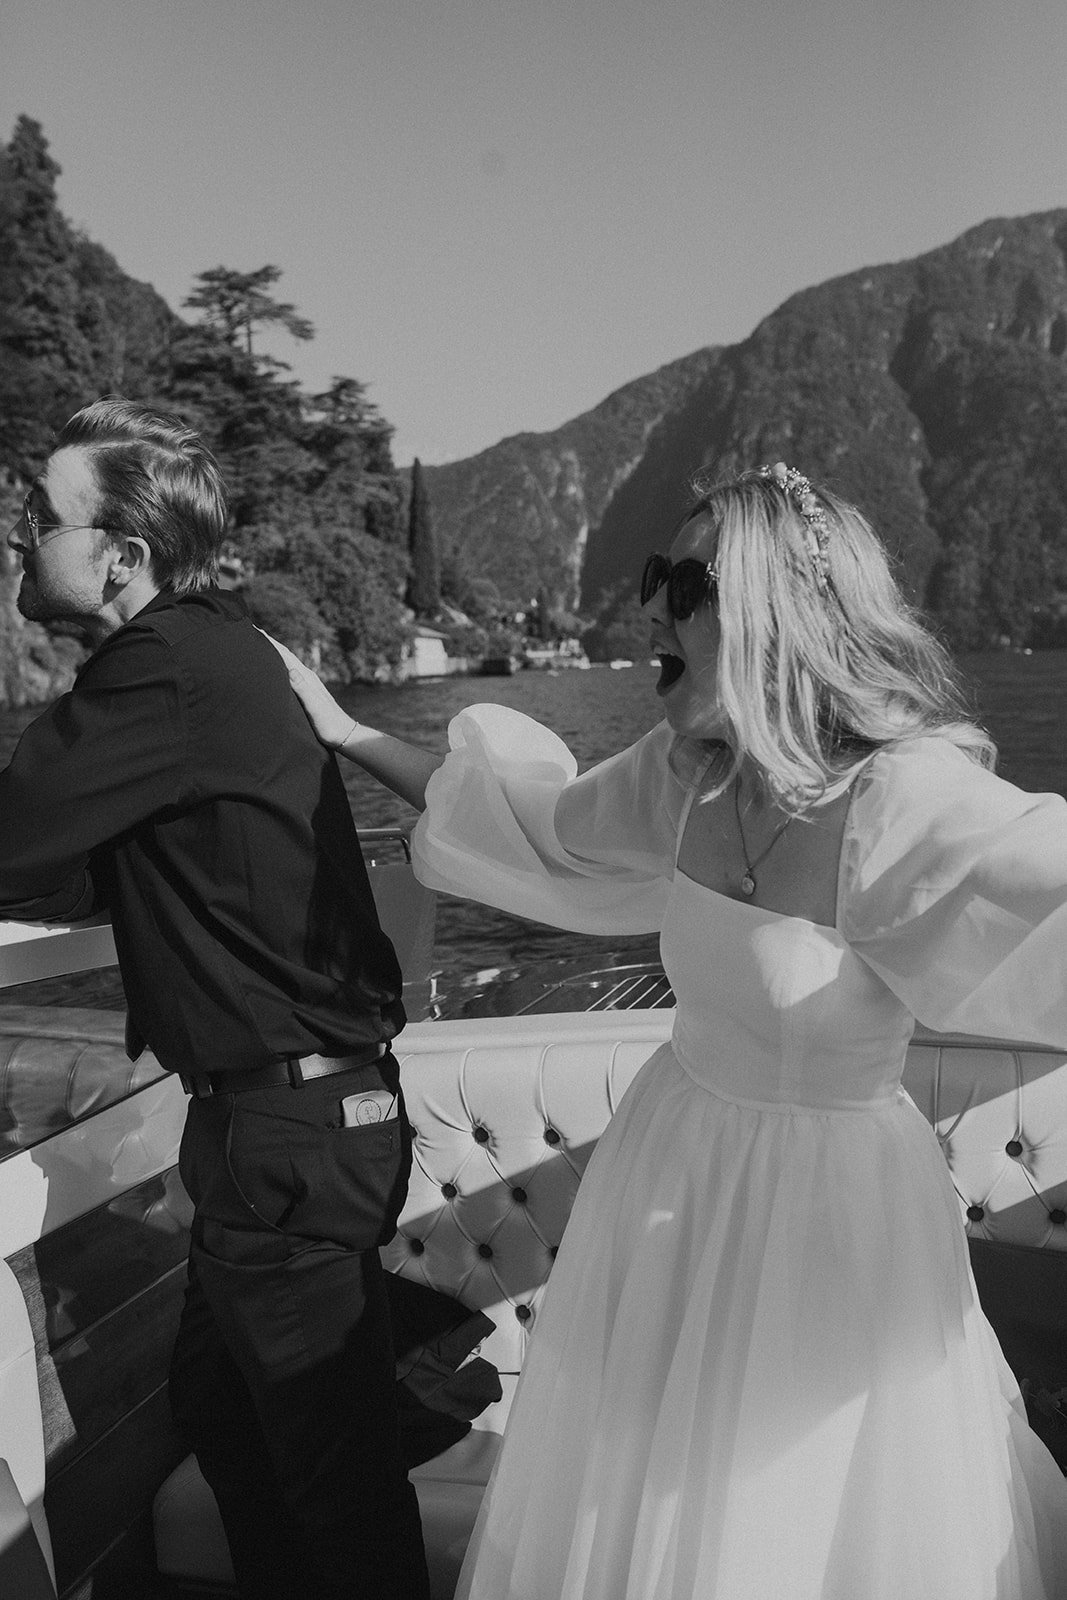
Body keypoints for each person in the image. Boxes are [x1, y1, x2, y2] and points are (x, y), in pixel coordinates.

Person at [271, 462, 1067, 1600]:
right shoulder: (687, 774)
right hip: (671, 1174)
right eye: (656, 574)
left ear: (780, 612)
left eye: (685, 581)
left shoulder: (899, 800)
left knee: (784, 1523)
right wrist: (346, 729)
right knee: (642, 1512)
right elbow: (531, 829)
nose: (651, 606)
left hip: (831, 1224)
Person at [0, 399, 430, 1600]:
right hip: (292, 1122)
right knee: (234, 1427)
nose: (23, 537)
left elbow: (12, 837)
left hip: (285, 1133)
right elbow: (113, 855)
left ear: (121, 557)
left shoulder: (165, 667)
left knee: (327, 1480)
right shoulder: (205, 658)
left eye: (45, 517)